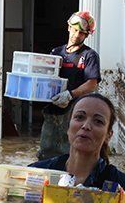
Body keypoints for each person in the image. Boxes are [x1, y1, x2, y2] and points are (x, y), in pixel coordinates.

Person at [38, 11, 101, 160]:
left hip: (75, 111)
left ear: (86, 35)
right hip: (53, 109)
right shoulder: (56, 52)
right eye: (74, 29)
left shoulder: (89, 55)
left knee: (70, 151)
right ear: (68, 28)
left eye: (81, 33)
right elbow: (46, 77)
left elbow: (92, 83)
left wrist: (70, 95)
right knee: (46, 149)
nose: (76, 34)